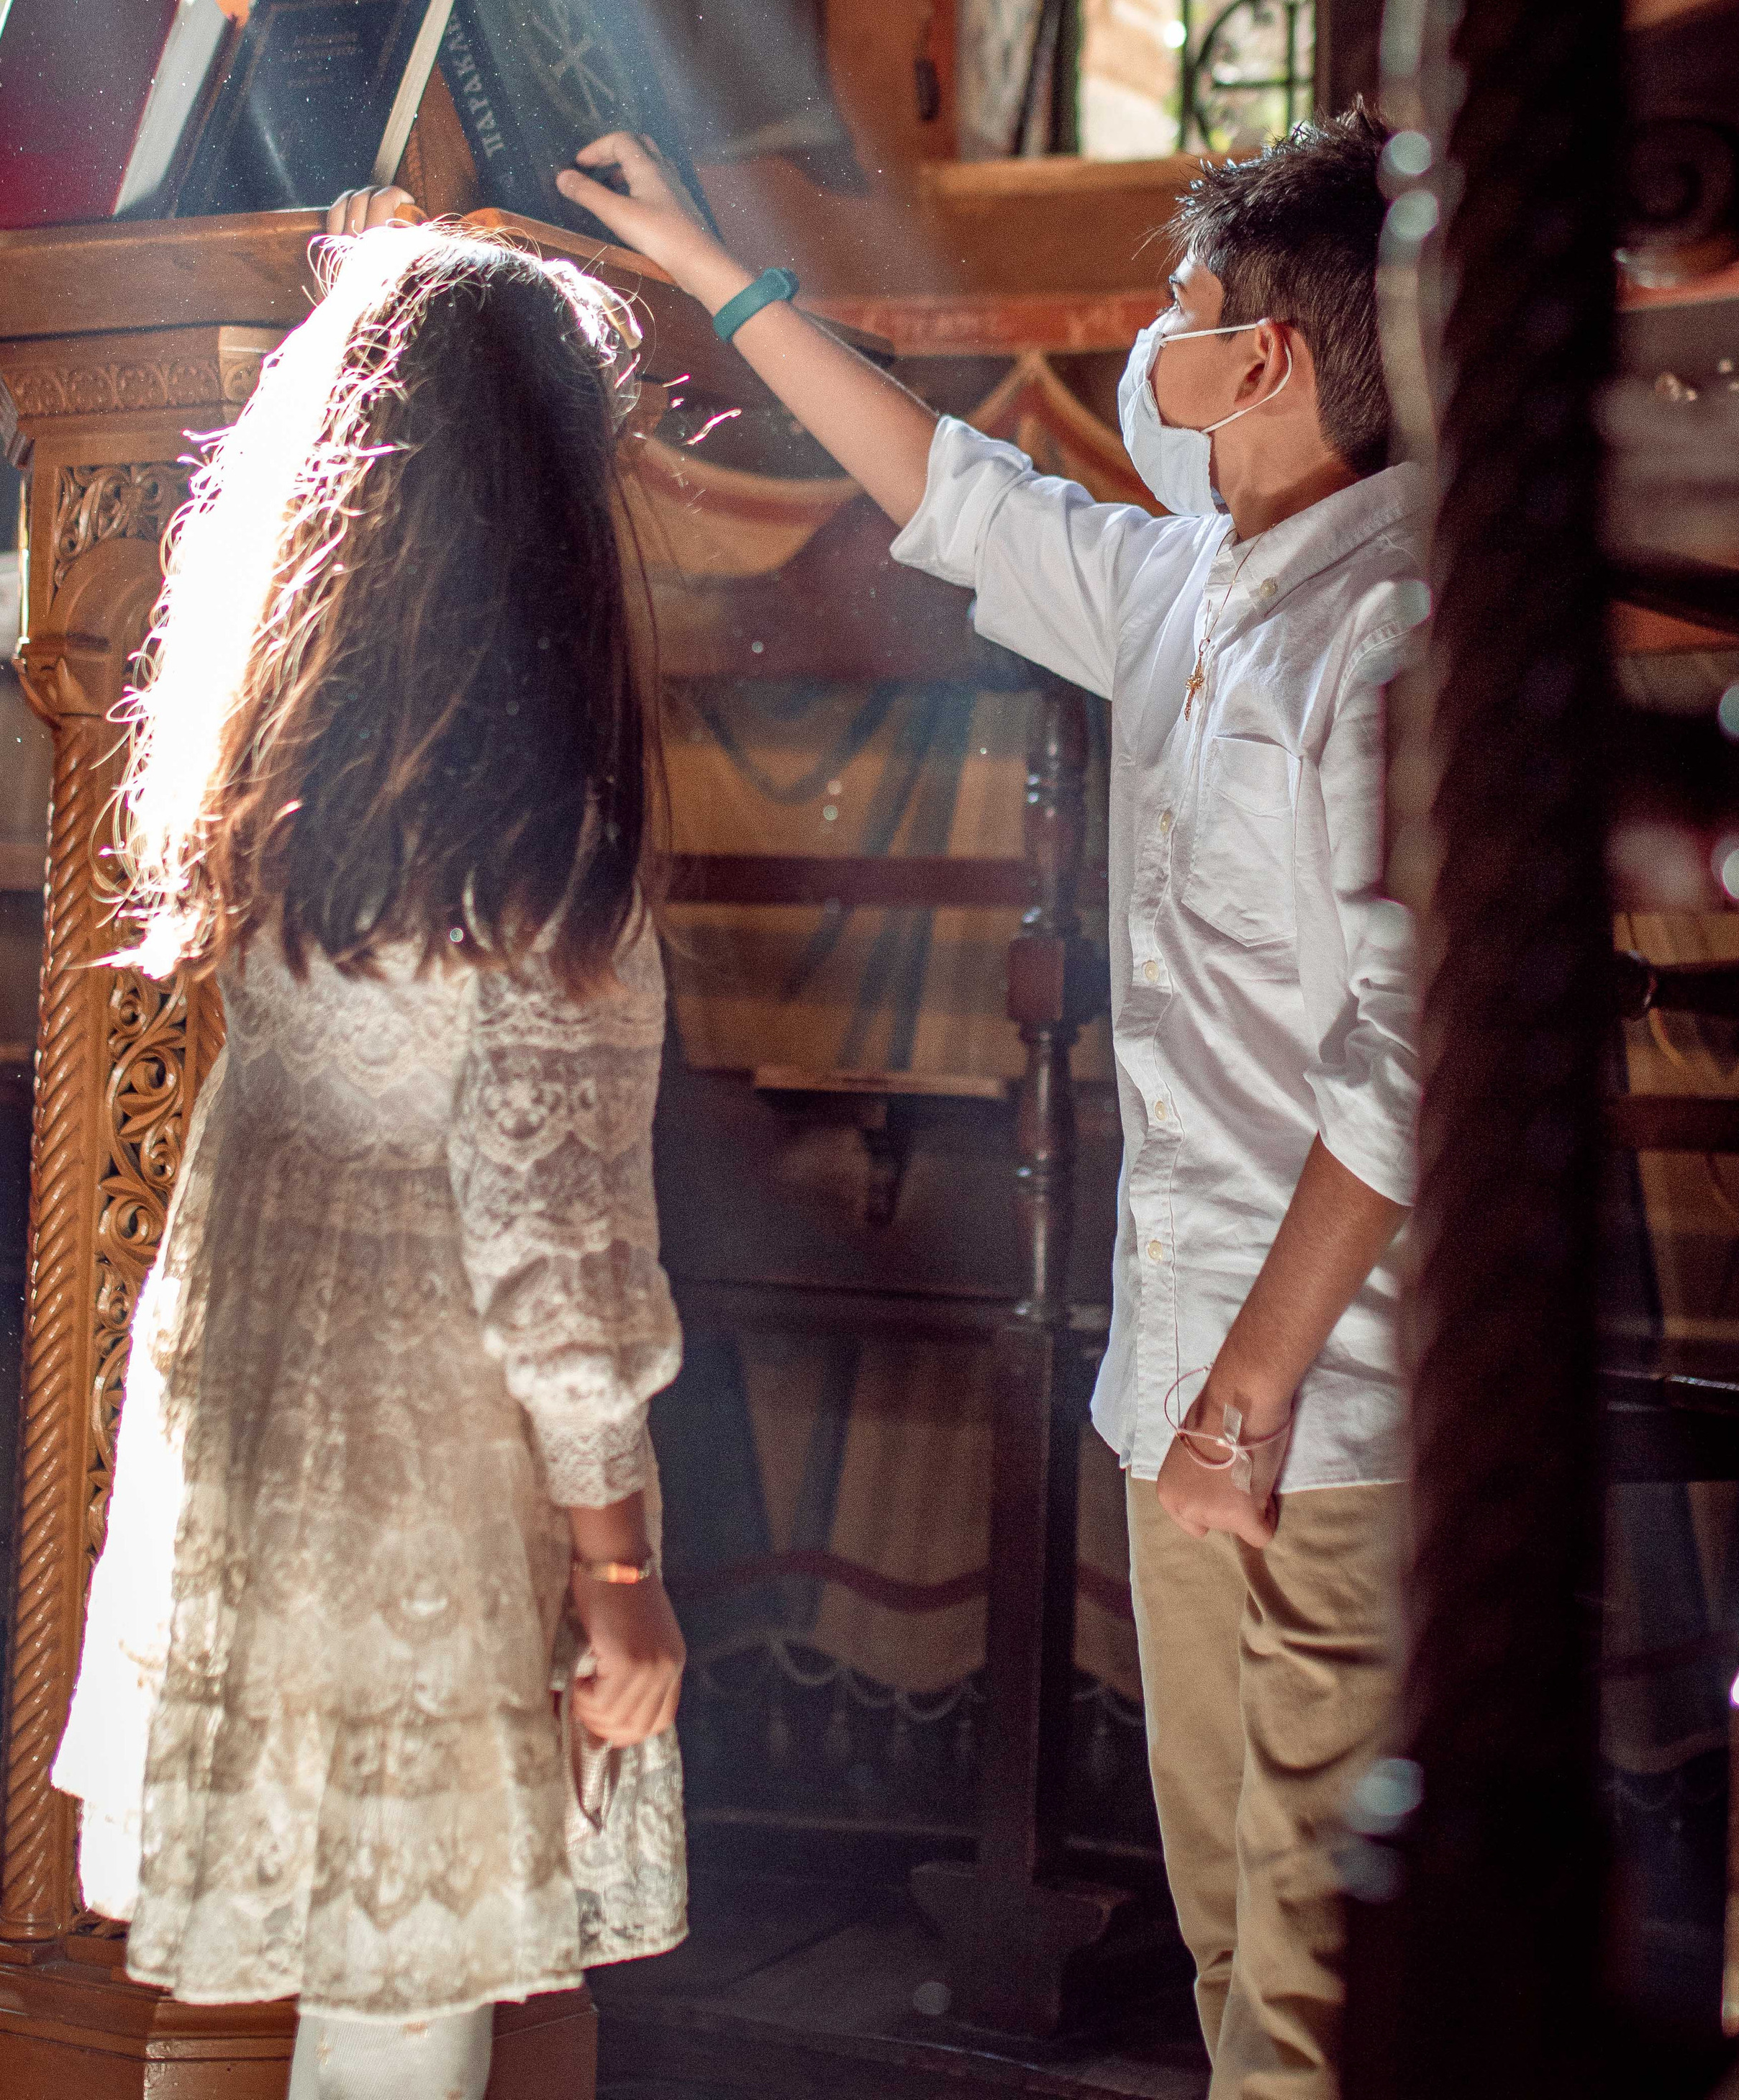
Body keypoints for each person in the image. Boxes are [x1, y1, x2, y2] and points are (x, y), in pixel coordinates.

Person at [546, 105, 1424, 2100]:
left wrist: (1254, 1396)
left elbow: (1417, 1060)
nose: (1154, 349)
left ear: (1267, 360)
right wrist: (716, 273)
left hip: (1338, 1410)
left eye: (1179, 312)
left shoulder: (1393, 631)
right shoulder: (1194, 581)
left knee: (1324, 1989)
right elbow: (946, 485)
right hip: (1190, 1382)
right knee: (1233, 1949)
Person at [53, 219, 689, 2100]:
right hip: (423, 1463)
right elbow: (554, 1242)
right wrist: (620, 1564)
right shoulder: (534, 845)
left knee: (239, 1981)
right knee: (402, 1991)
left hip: (248, 1432)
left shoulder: (281, 772)